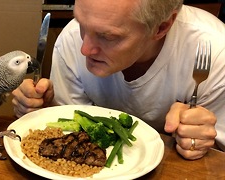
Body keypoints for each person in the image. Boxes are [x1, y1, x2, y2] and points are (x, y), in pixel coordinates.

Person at [12, 0, 225, 160]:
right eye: (81, 23)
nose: (84, 48)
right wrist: (40, 108)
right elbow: (72, 131)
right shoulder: (69, 40)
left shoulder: (216, 52)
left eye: (108, 36)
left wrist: (199, 140)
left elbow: (216, 150)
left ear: (161, 27)